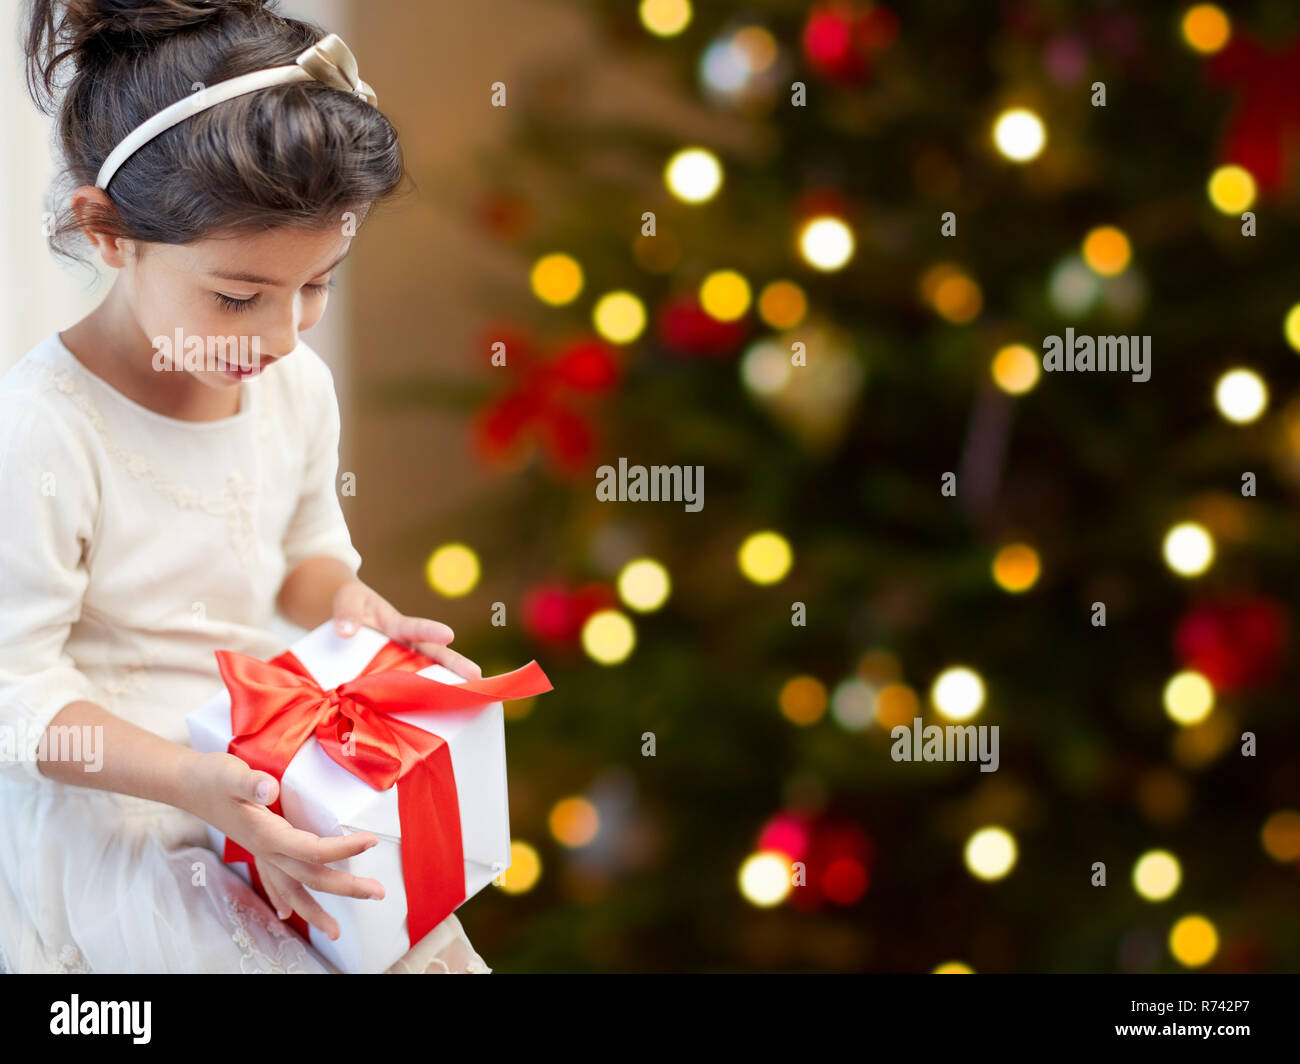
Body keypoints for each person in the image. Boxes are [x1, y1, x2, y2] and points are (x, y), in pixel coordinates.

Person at [0, 0, 490, 973]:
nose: (282, 334)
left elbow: (298, 565)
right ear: (105, 232)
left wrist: (358, 613)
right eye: (236, 296)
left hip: (271, 771)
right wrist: (193, 781)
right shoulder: (43, 432)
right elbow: (17, 694)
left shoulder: (291, 384)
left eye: (319, 284)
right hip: (130, 803)